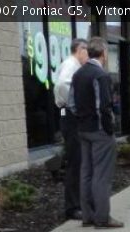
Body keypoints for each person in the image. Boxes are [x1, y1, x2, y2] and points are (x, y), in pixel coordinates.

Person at [69, 36, 123, 229]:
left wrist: (82, 118)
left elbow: (72, 104)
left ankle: (88, 216)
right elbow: (104, 106)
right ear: (103, 53)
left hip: (83, 130)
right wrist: (109, 128)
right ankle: (102, 218)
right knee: (102, 175)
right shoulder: (101, 76)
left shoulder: (78, 74)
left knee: (87, 173)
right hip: (100, 131)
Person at [53, 38, 87, 221]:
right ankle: (72, 207)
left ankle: (77, 204)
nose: (88, 56)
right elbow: (62, 85)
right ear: (79, 50)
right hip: (71, 118)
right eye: (86, 51)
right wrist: (74, 105)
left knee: (78, 161)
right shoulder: (71, 65)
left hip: (70, 117)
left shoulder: (73, 65)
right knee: (75, 162)